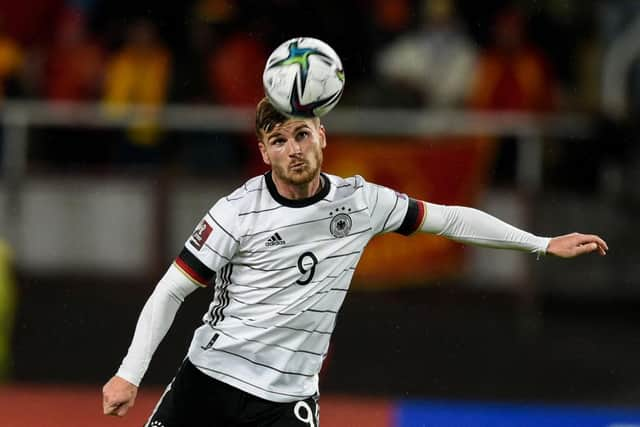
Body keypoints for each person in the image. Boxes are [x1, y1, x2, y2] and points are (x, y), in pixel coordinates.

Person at [102, 97, 608, 426]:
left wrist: (541, 243)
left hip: (286, 401)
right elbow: (171, 289)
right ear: (263, 152)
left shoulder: (361, 203)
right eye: (278, 141)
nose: (293, 149)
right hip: (209, 380)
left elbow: (450, 220)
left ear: (322, 135)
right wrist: (129, 373)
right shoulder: (237, 211)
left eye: (301, 134)